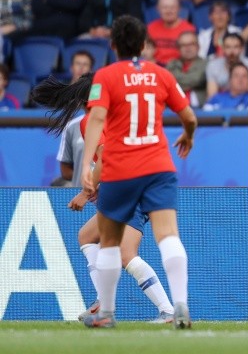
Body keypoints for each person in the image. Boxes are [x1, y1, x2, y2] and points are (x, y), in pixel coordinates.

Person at [30, 73, 176, 324]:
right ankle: (103, 303)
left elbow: (106, 155)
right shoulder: (115, 115)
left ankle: (167, 311)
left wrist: (85, 192)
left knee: (126, 254)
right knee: (87, 236)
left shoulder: (92, 120)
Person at [80, 15, 197, 328]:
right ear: (144, 45)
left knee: (108, 242)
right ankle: (181, 305)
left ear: (113, 45)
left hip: (121, 169)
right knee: (168, 236)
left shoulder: (105, 76)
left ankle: (106, 314)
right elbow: (189, 117)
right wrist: (188, 135)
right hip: (158, 166)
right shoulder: (161, 74)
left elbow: (96, 119)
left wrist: (86, 165)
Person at [55, 51, 94, 188]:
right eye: (78, 63)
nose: (81, 67)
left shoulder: (115, 124)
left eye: (85, 64)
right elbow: (65, 170)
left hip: (108, 195)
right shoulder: (72, 127)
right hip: (80, 194)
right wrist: (83, 178)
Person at [147, 0, 196, 66]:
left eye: (172, 7)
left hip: (179, 68)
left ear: (179, 8)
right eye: (164, 7)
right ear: (157, 9)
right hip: (155, 68)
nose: (169, 11)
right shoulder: (150, 28)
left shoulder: (189, 29)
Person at [166, 31, 208, 107]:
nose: (188, 48)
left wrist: (175, 84)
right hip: (172, 109)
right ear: (178, 48)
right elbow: (167, 85)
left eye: (191, 44)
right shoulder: (171, 64)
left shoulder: (206, 64)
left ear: (198, 47)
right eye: (183, 45)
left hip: (199, 109)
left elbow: (196, 80)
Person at [205, 32, 248, 99]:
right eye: (228, 47)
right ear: (223, 48)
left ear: (242, 48)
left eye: (236, 47)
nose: (232, 51)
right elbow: (212, 97)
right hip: (222, 103)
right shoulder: (213, 66)